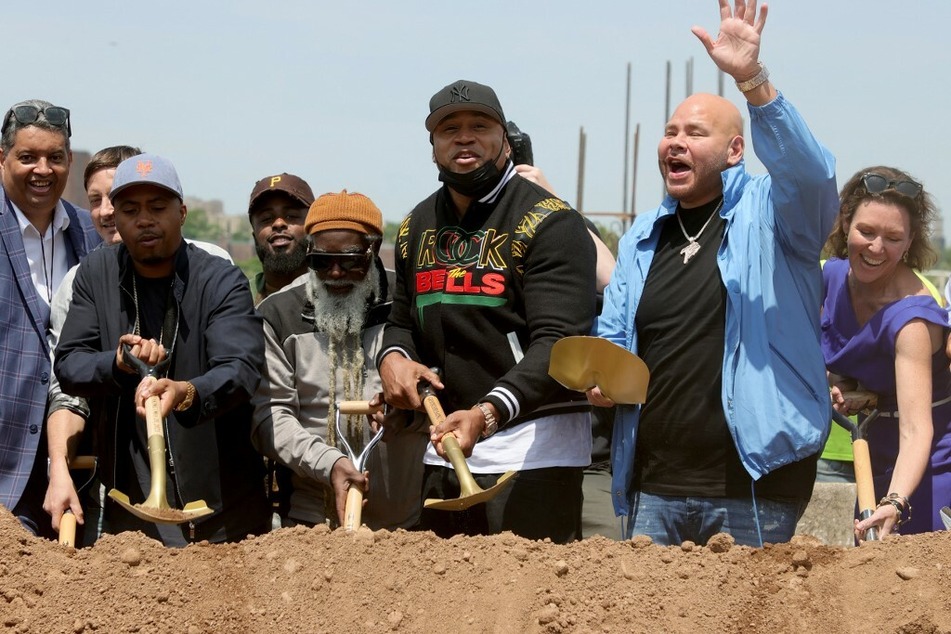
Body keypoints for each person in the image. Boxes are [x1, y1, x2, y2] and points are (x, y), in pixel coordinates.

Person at [589, 0, 839, 547]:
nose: (675, 141)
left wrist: (753, 81)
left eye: (694, 133)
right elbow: (615, 334)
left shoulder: (776, 216)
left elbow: (813, 176)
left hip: (756, 481)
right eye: (669, 131)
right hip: (655, 485)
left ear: (734, 150)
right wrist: (601, 377)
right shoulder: (641, 238)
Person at [378, 79, 597, 543]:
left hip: (534, 456)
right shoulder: (416, 225)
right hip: (445, 450)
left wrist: (488, 413)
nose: (464, 137)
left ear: (504, 139)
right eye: (449, 128)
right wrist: (391, 358)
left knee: (527, 609)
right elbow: (401, 323)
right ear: (433, 145)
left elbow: (558, 343)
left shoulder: (552, 221)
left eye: (480, 125)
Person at [54, 153, 270, 546]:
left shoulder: (219, 279)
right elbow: (69, 363)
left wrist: (186, 392)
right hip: (134, 516)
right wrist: (117, 364)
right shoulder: (95, 275)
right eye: (130, 209)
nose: (144, 220)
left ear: (182, 212)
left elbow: (241, 368)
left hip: (224, 512)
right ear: (114, 217)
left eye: (158, 207)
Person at [251, 190, 427, 529]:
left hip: (405, 528)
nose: (334, 273)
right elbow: (270, 419)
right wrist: (328, 463)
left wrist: (406, 419)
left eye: (349, 260)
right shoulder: (277, 315)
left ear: (373, 249)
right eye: (321, 261)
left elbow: (445, 396)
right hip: (311, 523)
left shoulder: (409, 306)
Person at [822, 167, 951, 537]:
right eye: (866, 231)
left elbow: (916, 428)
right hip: (873, 453)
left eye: (893, 238)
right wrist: (840, 382)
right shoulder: (829, 279)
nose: (876, 248)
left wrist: (895, 501)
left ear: (910, 242)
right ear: (846, 223)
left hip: (927, 469)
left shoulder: (912, 318)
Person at [0, 99, 100, 535]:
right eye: (28, 157)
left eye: (55, 158)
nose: (43, 169)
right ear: (2, 158)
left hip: (73, 461)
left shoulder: (91, 234)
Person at [248, 173, 315, 304]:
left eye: (291, 216)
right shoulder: (236, 298)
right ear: (254, 237)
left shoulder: (335, 293)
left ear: (313, 229)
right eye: (266, 218)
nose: (278, 224)